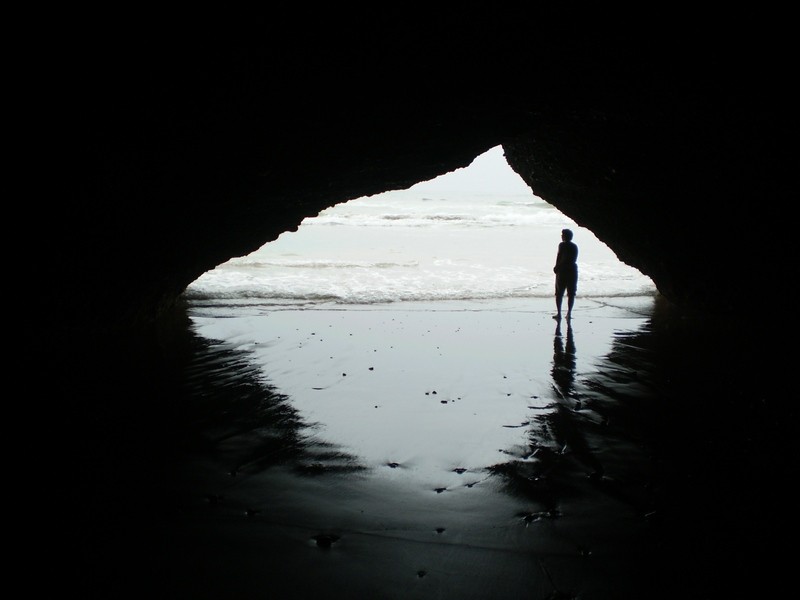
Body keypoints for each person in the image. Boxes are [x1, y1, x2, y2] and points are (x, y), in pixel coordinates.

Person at [553, 228, 578, 320]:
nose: (561, 236)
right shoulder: (574, 246)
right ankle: (569, 313)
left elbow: (560, 257)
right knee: (571, 293)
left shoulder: (562, 245)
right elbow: (572, 259)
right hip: (572, 270)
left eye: (562, 235)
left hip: (563, 270)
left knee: (559, 293)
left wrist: (557, 267)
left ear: (565, 236)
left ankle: (559, 313)